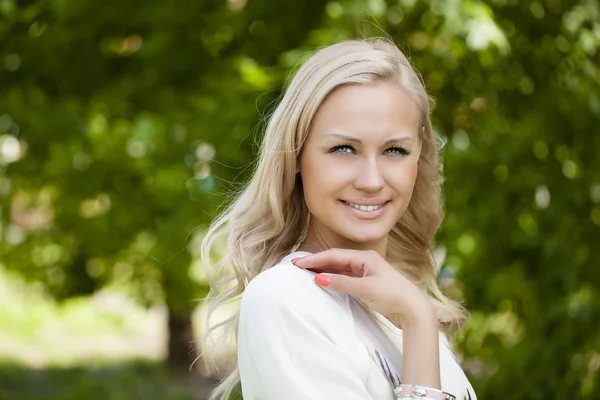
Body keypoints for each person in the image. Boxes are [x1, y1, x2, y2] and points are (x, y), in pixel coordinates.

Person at [201, 38, 477, 400]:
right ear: (296, 156)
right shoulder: (285, 301)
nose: (372, 180)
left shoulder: (402, 306)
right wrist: (420, 322)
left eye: (395, 150)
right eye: (343, 149)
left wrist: (419, 320)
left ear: (417, 159)